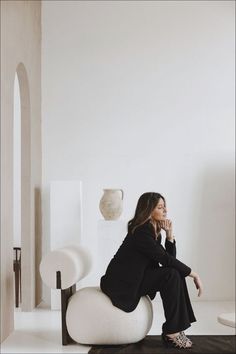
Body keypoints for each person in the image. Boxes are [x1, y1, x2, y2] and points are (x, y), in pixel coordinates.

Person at [100, 192, 203, 349]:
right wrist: (193, 273)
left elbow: (168, 261)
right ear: (148, 210)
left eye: (164, 207)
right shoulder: (142, 231)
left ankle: (174, 329)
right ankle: (172, 331)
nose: (165, 211)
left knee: (173, 273)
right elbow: (167, 260)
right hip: (121, 283)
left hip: (136, 277)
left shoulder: (153, 231)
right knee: (172, 274)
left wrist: (169, 236)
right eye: (160, 207)